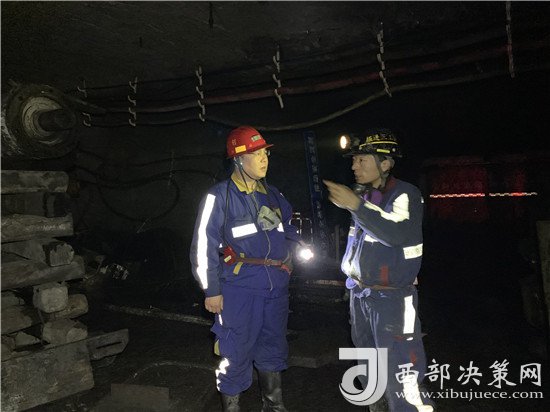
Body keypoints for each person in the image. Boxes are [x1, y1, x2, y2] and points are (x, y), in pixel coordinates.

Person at [190, 125, 301, 412]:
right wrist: (211, 290)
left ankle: (274, 407)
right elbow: (203, 246)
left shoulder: (273, 194)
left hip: (275, 288)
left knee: (273, 348)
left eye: (265, 153)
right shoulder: (219, 197)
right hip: (239, 289)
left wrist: (292, 252)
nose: (264, 159)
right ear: (239, 159)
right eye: (256, 154)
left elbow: (290, 226)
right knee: (235, 351)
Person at [324, 128, 433, 412]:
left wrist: (355, 205)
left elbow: (396, 234)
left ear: (385, 164)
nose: (354, 166)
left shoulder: (405, 194)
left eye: (361, 160)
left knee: (401, 369)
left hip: (391, 300)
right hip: (361, 296)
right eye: (354, 160)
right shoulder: (366, 196)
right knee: (370, 367)